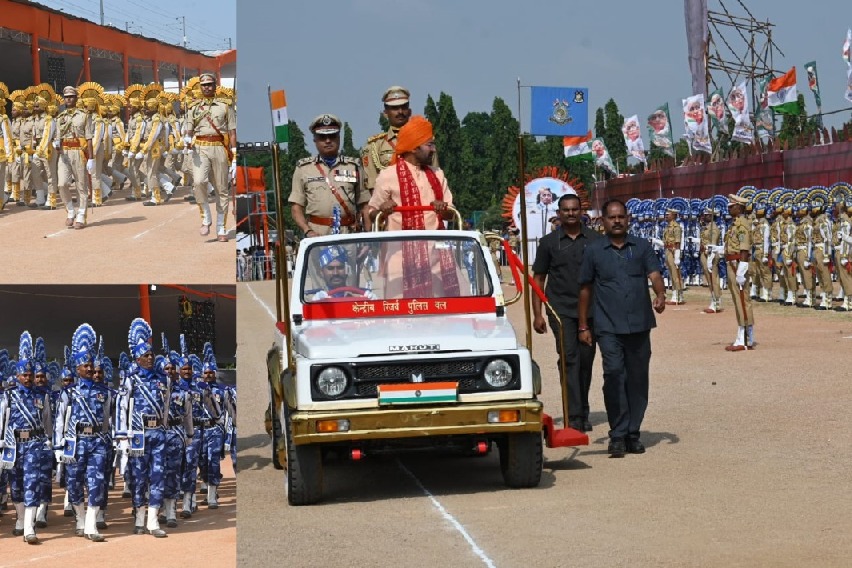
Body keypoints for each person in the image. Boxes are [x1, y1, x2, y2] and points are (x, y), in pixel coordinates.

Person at [577, 199, 666, 457]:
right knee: (614, 374)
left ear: (628, 219)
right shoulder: (594, 251)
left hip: (639, 324)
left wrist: (660, 295)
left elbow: (655, 274)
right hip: (608, 325)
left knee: (637, 379)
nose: (617, 221)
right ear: (603, 221)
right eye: (611, 217)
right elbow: (585, 288)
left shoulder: (642, 246)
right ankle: (617, 434)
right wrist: (583, 325)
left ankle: (632, 433)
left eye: (621, 217)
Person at [532, 194, 601, 432]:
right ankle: (573, 415)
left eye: (574, 209)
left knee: (586, 360)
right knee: (569, 359)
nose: (570, 214)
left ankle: (582, 409)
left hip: (591, 310)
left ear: (581, 211)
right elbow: (538, 279)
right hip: (560, 309)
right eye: (566, 210)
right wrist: (538, 314)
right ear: (559, 213)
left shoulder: (595, 240)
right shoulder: (548, 242)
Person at [115, 318, 169, 537]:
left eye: (151, 355)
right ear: (137, 359)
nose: (150, 358)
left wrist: (165, 427)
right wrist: (122, 437)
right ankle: (139, 517)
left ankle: (153, 521)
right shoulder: (130, 380)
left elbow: (166, 406)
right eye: (145, 355)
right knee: (138, 477)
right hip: (138, 434)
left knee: (158, 475)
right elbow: (121, 407)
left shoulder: (162, 380)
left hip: (158, 433)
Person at [0, 332, 53, 544]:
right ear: (18, 375)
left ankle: (29, 527)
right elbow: (2, 421)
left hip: (34, 444)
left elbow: (47, 421)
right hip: (13, 445)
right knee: (16, 486)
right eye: (25, 375)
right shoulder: (8, 396)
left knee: (32, 483)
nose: (29, 378)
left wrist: (49, 441)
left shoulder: (42, 396)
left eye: (30, 374)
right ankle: (21, 519)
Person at [290, 113, 371, 238]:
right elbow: (296, 207)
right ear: (315, 140)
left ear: (339, 138)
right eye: (322, 137)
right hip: (317, 235)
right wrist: (307, 231)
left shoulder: (353, 166)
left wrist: (368, 237)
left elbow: (365, 205)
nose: (328, 141)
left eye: (332, 136)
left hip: (348, 234)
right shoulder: (303, 168)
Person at [368, 115, 452, 231]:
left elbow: (452, 214)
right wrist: (383, 211)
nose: (434, 149)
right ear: (413, 148)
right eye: (429, 145)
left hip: (434, 242)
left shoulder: (438, 174)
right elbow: (372, 214)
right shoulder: (388, 175)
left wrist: (443, 209)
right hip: (398, 242)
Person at [183, 73, 237, 241]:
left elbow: (232, 132)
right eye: (204, 85)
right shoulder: (193, 107)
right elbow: (189, 129)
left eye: (209, 84)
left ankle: (221, 228)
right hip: (200, 147)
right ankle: (206, 218)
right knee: (199, 182)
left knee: (222, 189)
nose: (206, 87)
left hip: (219, 147)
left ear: (215, 86)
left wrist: (235, 155)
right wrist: (186, 139)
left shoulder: (225, 106)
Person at [361, 86, 437, 192]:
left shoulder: (425, 142)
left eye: (404, 107)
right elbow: (373, 186)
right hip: (388, 199)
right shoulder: (375, 146)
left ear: (409, 111)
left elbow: (435, 176)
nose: (400, 111)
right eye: (395, 108)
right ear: (385, 113)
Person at [718, 194, 755, 350]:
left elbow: (744, 248)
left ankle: (744, 337)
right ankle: (746, 334)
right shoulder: (734, 225)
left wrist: (742, 268)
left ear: (739, 208)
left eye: (731, 206)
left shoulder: (742, 225)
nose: (729, 208)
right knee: (738, 299)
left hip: (738, 264)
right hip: (732, 262)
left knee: (742, 299)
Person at [55, 85, 94, 229]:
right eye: (66, 97)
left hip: (79, 152)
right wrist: (56, 145)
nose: (68, 99)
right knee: (62, 184)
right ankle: (70, 210)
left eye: (71, 97)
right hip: (64, 153)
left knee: (81, 186)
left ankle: (82, 215)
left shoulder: (84, 115)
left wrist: (91, 158)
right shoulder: (60, 117)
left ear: (76, 98)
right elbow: (58, 137)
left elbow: (89, 138)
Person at [310, 245, 377, 300]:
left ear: (347, 270)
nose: (335, 273)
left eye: (340, 268)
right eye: (330, 268)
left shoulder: (361, 295)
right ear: (321, 272)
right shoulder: (314, 297)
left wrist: (373, 302)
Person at [699, 206, 723, 313]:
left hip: (711, 255)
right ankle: (713, 300)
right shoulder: (706, 227)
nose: (704, 217)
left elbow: (713, 245)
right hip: (704, 253)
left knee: (713, 279)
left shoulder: (714, 229)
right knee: (709, 279)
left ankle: (716, 302)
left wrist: (710, 258)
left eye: (707, 215)